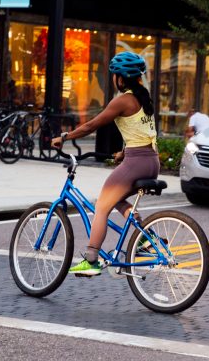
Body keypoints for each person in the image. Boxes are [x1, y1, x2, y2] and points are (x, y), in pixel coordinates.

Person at [51, 51, 159, 276]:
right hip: (151, 160)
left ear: (120, 77)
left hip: (137, 162)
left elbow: (92, 125)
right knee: (118, 199)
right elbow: (142, 132)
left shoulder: (123, 100)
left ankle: (91, 260)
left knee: (101, 206)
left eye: (114, 75)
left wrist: (65, 137)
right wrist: (124, 152)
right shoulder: (143, 97)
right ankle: (146, 239)